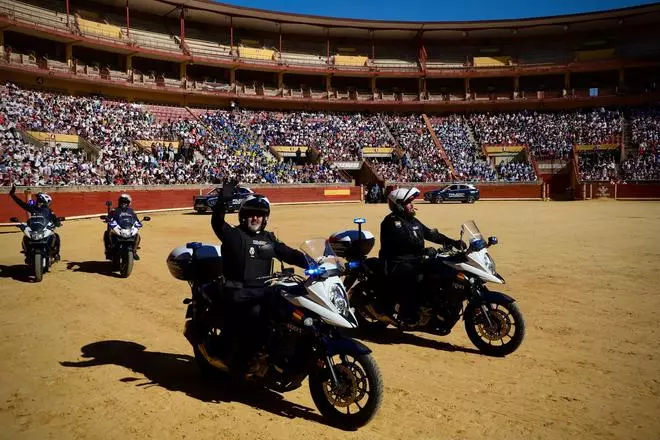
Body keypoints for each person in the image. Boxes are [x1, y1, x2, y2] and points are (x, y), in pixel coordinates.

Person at [209, 179, 308, 376]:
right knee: (258, 315)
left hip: (264, 290)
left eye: (260, 215)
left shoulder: (268, 238)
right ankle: (250, 360)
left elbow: (287, 253)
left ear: (265, 219)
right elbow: (217, 222)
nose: (255, 218)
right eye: (251, 214)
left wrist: (312, 262)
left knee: (289, 310)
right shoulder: (233, 235)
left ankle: (280, 354)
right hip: (238, 291)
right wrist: (223, 199)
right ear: (243, 217)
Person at [379, 187, 463, 326]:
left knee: (439, 269)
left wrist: (451, 241)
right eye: (408, 202)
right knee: (415, 277)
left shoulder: (413, 221)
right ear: (398, 205)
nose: (413, 205)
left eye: (412, 202)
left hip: (414, 260)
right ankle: (407, 312)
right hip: (396, 263)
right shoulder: (390, 223)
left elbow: (430, 234)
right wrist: (424, 252)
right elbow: (404, 243)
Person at [9, 184, 61, 262]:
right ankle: (27, 251)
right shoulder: (36, 208)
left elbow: (55, 220)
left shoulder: (48, 211)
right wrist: (13, 195)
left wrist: (57, 223)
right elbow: (21, 203)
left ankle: (55, 253)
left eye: (39, 201)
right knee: (26, 237)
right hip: (35, 229)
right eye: (38, 201)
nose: (38, 202)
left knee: (55, 236)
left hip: (44, 229)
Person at [103, 193, 141, 260]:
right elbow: (108, 217)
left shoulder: (131, 211)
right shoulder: (115, 210)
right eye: (122, 202)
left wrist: (138, 223)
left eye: (125, 202)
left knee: (137, 235)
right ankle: (109, 249)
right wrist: (107, 219)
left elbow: (135, 219)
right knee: (107, 234)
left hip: (128, 227)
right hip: (118, 228)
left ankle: (134, 251)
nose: (124, 204)